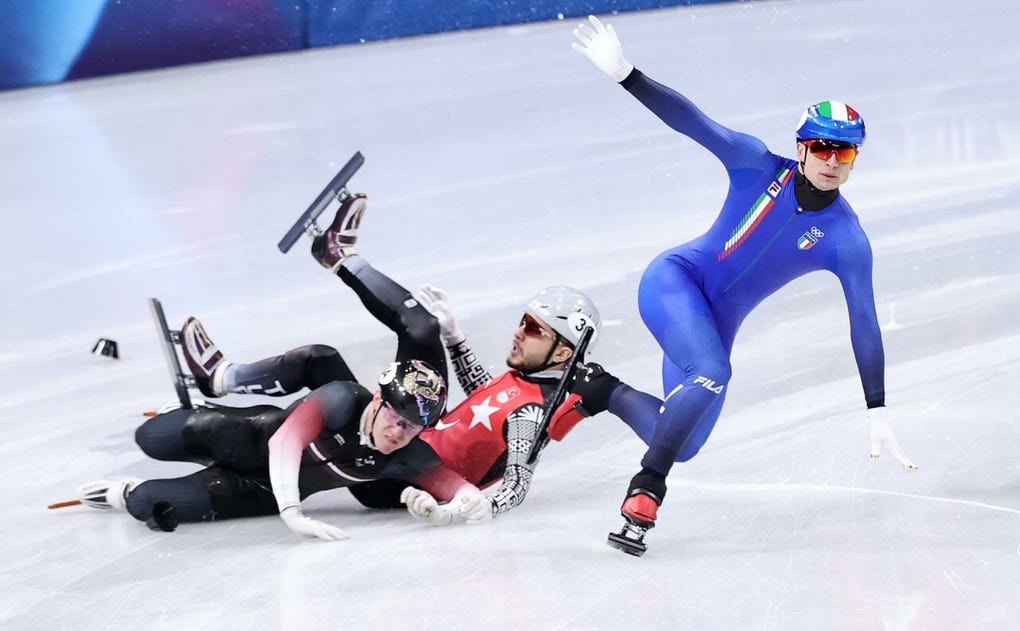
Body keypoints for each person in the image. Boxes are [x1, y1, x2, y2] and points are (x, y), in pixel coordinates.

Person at [571, 15, 916, 536]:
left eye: (842, 151)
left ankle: (602, 391)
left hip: (714, 324)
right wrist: (626, 74)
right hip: (675, 284)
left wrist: (877, 408)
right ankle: (646, 490)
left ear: (854, 161)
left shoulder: (847, 240)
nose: (830, 160)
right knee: (713, 373)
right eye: (821, 147)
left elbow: (864, 322)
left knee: (684, 440)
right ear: (801, 146)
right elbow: (694, 122)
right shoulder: (756, 164)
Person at [175, 192, 631, 523]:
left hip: (405, 471)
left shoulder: (537, 412)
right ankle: (223, 377)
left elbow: (517, 481)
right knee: (327, 358)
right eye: (523, 320)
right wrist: (454, 338)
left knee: (412, 330)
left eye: (533, 329)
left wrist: (463, 510)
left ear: (563, 351)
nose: (518, 331)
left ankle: (338, 256)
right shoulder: (525, 382)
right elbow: (483, 399)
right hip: (419, 426)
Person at [74, 358, 493, 539]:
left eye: (414, 428)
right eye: (396, 419)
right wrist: (293, 512)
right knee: (152, 437)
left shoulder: (408, 453)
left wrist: (468, 503)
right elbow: (285, 441)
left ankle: (123, 491)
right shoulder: (343, 398)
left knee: (145, 502)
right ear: (379, 400)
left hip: (261, 491)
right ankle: (205, 408)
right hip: (245, 436)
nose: (400, 434)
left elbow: (453, 485)